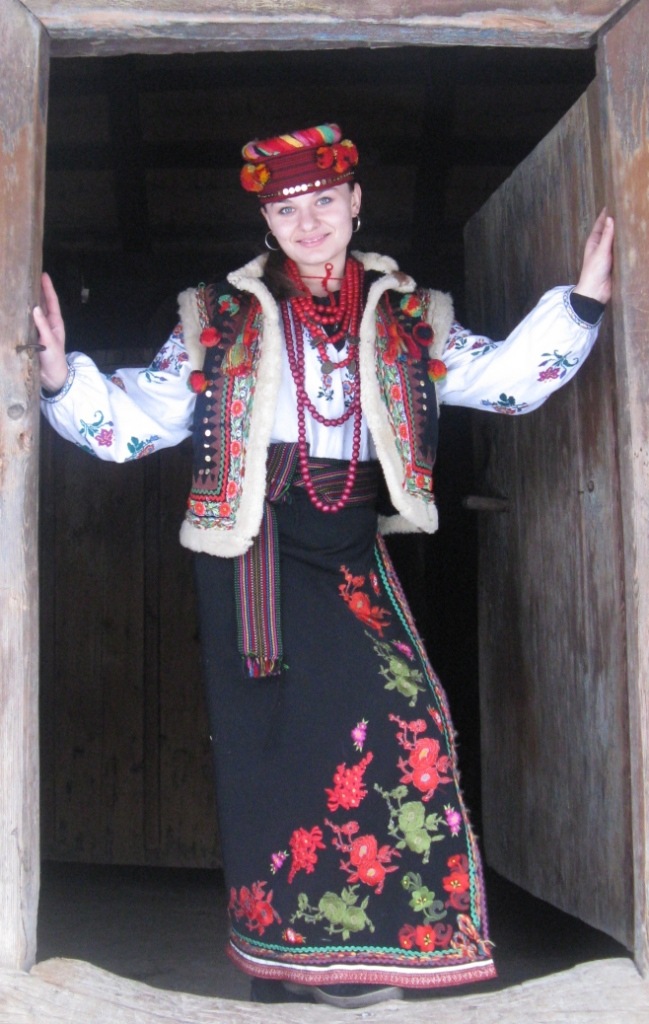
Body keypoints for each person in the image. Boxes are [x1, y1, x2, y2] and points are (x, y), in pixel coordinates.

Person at [34, 124, 614, 1009]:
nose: (306, 223)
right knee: (281, 752)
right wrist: (57, 379)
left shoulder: (406, 315)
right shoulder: (217, 315)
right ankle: (296, 961)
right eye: (286, 209)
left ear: (354, 202)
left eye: (322, 202)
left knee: (405, 719)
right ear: (266, 221)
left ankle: (378, 946)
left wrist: (581, 303)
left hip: (347, 542)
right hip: (251, 551)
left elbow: (505, 381)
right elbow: (136, 423)